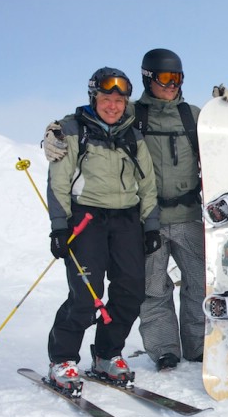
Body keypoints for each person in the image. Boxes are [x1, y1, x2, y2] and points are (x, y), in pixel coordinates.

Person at [44, 49, 228, 372]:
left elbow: (221, 142)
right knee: (151, 289)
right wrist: (52, 132)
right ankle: (164, 349)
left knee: (198, 283)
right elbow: (87, 118)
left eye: (177, 78)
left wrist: (223, 109)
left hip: (187, 214)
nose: (172, 85)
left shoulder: (192, 115)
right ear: (149, 78)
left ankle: (197, 344)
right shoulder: (132, 113)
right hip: (145, 218)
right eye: (165, 78)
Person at [46, 67, 160, 393]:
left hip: (126, 220)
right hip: (86, 220)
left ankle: (107, 354)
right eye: (106, 98)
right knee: (86, 293)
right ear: (93, 97)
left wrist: (150, 225)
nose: (113, 105)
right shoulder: (71, 130)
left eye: (119, 100)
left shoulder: (132, 135)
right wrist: (58, 228)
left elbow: (147, 183)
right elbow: (58, 181)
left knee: (131, 291)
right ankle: (62, 359)